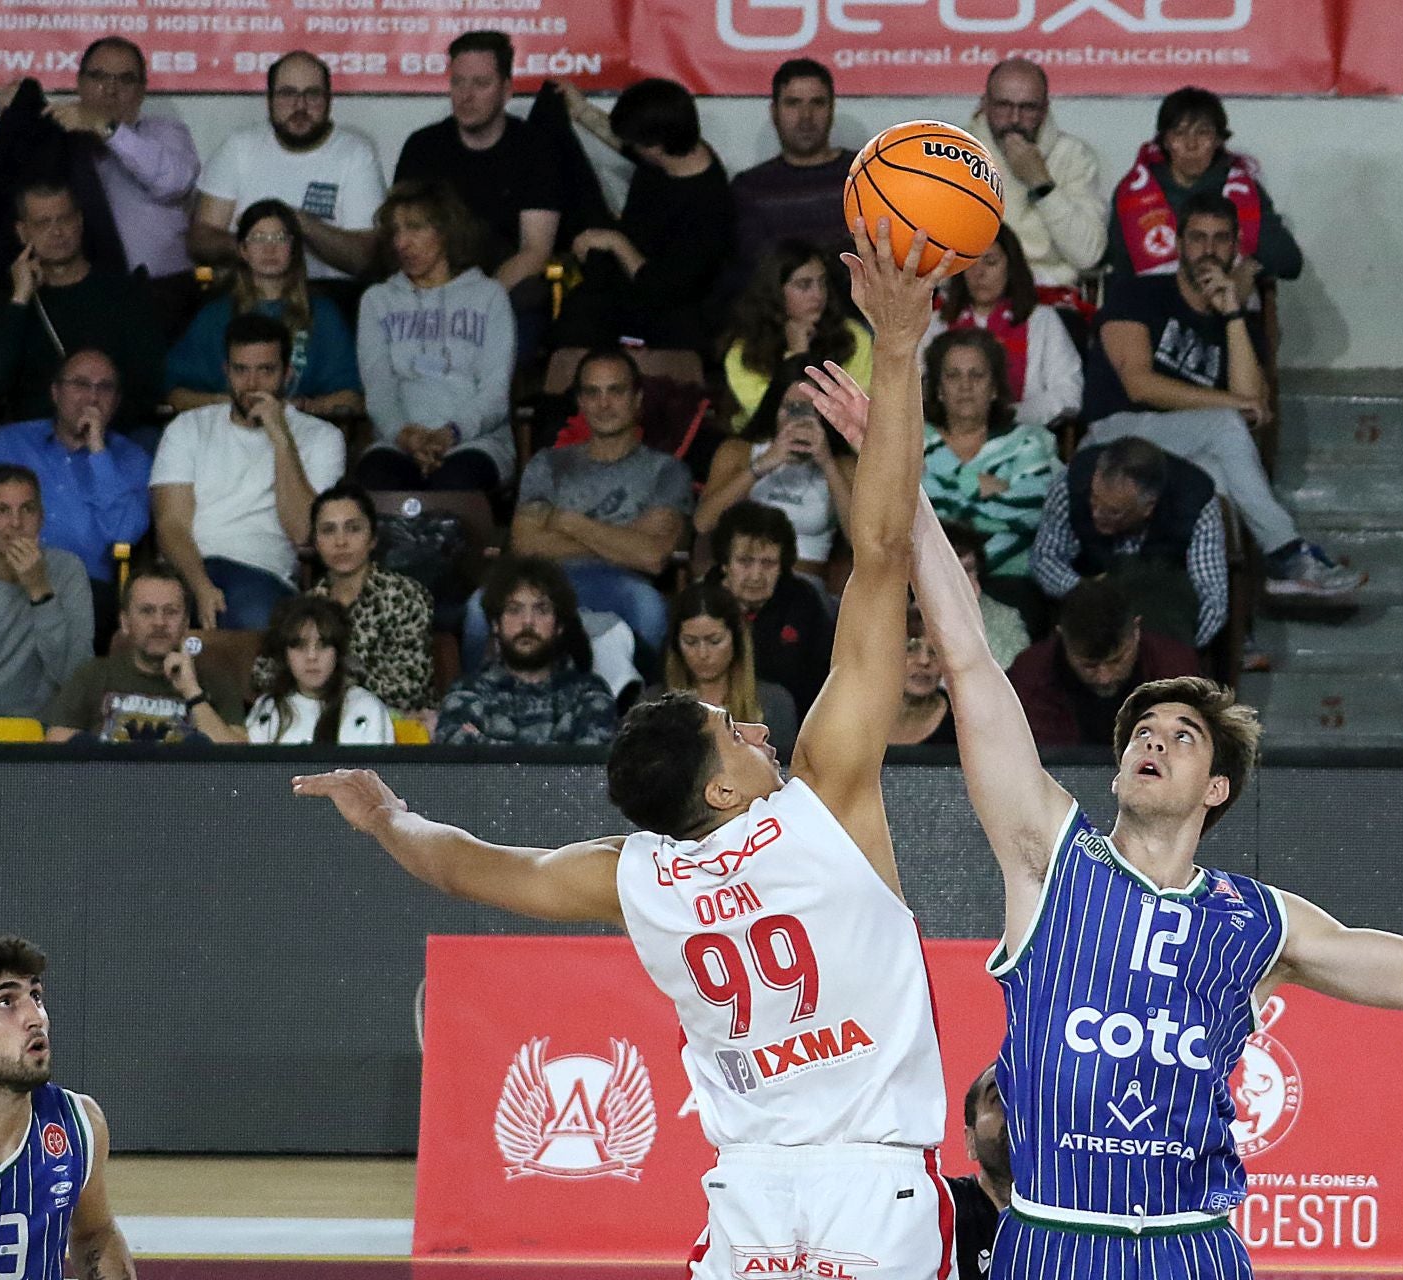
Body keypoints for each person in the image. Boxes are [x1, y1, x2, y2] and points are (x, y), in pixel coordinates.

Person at [296, 221, 960, 1279]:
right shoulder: (823, 803)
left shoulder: (635, 873)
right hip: (871, 1187)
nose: (753, 725)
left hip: (744, 1195)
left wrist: (385, 815)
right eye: (731, 730)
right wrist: (898, 341)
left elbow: (471, 865)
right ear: (719, 785)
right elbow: (880, 557)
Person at [802, 358, 1403, 1280]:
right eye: (1143, 731)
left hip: (1189, 1249)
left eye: (1182, 737)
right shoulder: (1051, 858)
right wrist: (898, 465)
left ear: (1216, 790)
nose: (1153, 742)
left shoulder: (1261, 923)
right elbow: (966, 656)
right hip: (1052, 1239)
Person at [1081, 195, 1365, 595]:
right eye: (1197, 238)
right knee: (1225, 425)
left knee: (1218, 487)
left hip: (1183, 450)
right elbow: (1140, 384)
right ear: (1179, 244)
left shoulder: (1241, 326)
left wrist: (1232, 312)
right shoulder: (1138, 294)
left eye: (1220, 240)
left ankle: (1235, 626)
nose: (1208, 251)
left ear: (1236, 247)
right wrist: (1232, 405)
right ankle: (1286, 553)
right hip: (1115, 438)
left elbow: (1256, 407)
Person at [476, 348, 691, 665]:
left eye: (615, 391)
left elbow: (652, 556)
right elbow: (525, 544)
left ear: (637, 399)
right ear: (580, 402)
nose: (603, 404)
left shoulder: (667, 471)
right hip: (543, 583)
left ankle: (648, 711)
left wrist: (566, 521)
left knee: (649, 607)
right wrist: (623, 538)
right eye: (592, 392)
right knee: (477, 607)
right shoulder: (548, 464)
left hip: (623, 586)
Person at [0, 38, 199, 314]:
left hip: (161, 295)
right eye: (98, 76)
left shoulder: (164, 133)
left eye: (125, 79)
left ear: (142, 90)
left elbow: (173, 183)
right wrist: (4, 122)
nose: (110, 89)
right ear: (79, 83)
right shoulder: (50, 138)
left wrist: (106, 129)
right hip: (67, 297)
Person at [0, 934, 135, 1280]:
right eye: (6, 1002)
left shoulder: (79, 1124)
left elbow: (94, 1234)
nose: (36, 1018)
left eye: (35, 996)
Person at [150, 314, 347, 630]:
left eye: (265, 371)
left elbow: (303, 532)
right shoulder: (188, 427)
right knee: (149, 617)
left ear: (287, 374)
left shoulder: (322, 437)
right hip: (186, 569)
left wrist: (282, 441)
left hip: (262, 572)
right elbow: (170, 524)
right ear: (226, 372)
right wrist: (201, 585)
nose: (252, 385)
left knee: (251, 618)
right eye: (241, 371)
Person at [0, 349, 152, 644]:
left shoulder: (130, 459)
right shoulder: (9, 442)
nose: (92, 397)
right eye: (80, 384)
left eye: (104, 388)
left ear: (117, 401)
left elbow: (126, 531)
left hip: (79, 589)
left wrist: (98, 452)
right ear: (56, 393)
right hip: (2, 578)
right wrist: (9, 567)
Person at [355, 181, 516, 493]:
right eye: (395, 231)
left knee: (455, 483)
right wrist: (406, 436)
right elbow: (378, 388)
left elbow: (495, 391)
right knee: (379, 480)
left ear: (445, 231)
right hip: (399, 441)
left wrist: (449, 434)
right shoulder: (378, 300)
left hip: (475, 441)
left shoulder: (488, 296)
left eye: (415, 228)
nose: (402, 242)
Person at [554, 77, 733, 353]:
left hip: (668, 314)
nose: (634, 149)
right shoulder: (674, 153)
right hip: (621, 288)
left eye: (639, 144)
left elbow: (663, 289)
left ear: (656, 146)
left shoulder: (709, 203)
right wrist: (581, 111)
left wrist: (615, 241)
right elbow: (624, 142)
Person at [393, 33, 560, 325]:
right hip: (429, 278)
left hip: (501, 287)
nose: (466, 96)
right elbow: (401, 233)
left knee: (530, 296)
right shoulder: (423, 147)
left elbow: (535, 250)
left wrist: (475, 300)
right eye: (458, 82)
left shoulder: (536, 148)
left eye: (481, 84)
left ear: (506, 90)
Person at [0, 182, 165, 429]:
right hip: (37, 438)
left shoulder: (125, 293)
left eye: (64, 219)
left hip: (114, 431)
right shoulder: (11, 304)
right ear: (22, 232)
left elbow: (150, 382)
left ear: (80, 221)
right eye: (43, 223)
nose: (57, 231)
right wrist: (20, 297)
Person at [189, 51, 384, 282]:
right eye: (287, 94)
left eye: (312, 94)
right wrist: (261, 247)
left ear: (329, 100)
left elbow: (364, 259)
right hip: (248, 295)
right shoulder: (239, 147)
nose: (300, 106)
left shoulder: (356, 154)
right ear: (269, 99)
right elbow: (200, 240)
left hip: (325, 294)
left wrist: (297, 223)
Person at [1030, 437, 1230, 650]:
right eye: (1094, 500)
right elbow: (1045, 557)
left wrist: (1179, 650)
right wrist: (1082, 590)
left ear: (1148, 507)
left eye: (1113, 511)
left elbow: (1211, 600)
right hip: (1090, 603)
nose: (1097, 514)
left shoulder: (1195, 502)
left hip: (1161, 614)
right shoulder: (1072, 482)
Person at [169, 198, 362, 418]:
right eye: (258, 238)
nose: (269, 248)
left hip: (302, 434)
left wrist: (302, 407)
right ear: (243, 249)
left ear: (294, 248)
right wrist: (229, 404)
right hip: (227, 436)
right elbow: (176, 395)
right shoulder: (214, 316)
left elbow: (352, 399)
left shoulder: (323, 314)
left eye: (279, 238)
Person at [257, 483, 436, 719]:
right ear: (315, 542)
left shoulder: (405, 596)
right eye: (328, 531)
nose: (341, 542)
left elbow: (407, 690)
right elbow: (263, 673)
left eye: (353, 529)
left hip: (391, 729)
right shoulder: (305, 606)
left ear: (373, 538)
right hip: (315, 721)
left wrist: (321, 675)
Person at [1105, 86, 1303, 296]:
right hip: (1151, 310)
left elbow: (1289, 262)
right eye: (1179, 133)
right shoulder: (1134, 191)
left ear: (1219, 140)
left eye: (1203, 133)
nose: (1191, 144)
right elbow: (1119, 268)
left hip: (1224, 311)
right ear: (1165, 140)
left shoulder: (1242, 189)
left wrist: (1248, 268)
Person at [0, 465, 92, 717]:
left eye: (27, 509)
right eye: (2, 511)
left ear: (41, 518)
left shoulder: (69, 571)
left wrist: (40, 590)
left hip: (42, 734)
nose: (16, 523)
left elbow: (76, 679)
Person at [43, 563, 246, 743]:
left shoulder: (217, 682)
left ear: (185, 624)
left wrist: (192, 693)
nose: (159, 622)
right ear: (125, 623)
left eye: (171, 611)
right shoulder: (91, 676)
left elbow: (239, 764)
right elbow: (55, 756)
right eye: (147, 611)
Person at [920, 329, 1062, 582]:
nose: (965, 385)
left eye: (977, 375)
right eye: (953, 375)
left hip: (1004, 577)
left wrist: (940, 491)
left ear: (994, 389)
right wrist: (977, 485)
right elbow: (905, 514)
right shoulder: (914, 440)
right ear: (939, 390)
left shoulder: (1027, 442)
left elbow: (1031, 514)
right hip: (925, 577)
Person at [435, 555, 615, 746]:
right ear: (496, 623)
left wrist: (482, 741)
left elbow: (587, 766)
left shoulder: (589, 692)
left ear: (559, 625)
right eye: (514, 610)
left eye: (541, 610)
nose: (527, 621)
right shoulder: (467, 691)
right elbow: (457, 760)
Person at [1005, 575, 1202, 747]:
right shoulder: (1028, 680)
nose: (1104, 678)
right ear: (1061, 637)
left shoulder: (1177, 673)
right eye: (1089, 665)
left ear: (1136, 630)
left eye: (1117, 660)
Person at [695, 366, 853, 582]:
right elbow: (703, 522)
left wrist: (827, 464)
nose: (799, 418)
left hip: (804, 583)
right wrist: (763, 464)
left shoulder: (843, 465)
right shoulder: (738, 452)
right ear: (775, 409)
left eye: (810, 409)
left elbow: (859, 541)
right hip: (739, 581)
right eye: (791, 408)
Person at [920, 225, 1082, 428]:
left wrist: (1009, 415)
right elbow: (913, 389)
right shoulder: (936, 323)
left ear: (1011, 267)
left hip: (1023, 435)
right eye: (970, 263)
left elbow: (1070, 393)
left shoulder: (1042, 321)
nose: (979, 273)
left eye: (990, 262)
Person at [967, 59, 1106, 291]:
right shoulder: (954, 154)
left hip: (1050, 293)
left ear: (1044, 109)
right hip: (971, 293)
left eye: (1028, 108)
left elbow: (1088, 256)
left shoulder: (1073, 155)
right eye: (1003, 106)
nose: (1014, 119)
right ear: (984, 105)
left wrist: (1041, 183)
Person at [727, 59, 853, 288]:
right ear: (774, 111)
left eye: (817, 103)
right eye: (793, 103)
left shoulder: (866, 174)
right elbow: (761, 271)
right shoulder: (751, 188)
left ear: (832, 108)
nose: (806, 116)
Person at [722, 239, 872, 430]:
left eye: (822, 282)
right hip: (768, 445)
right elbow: (773, 419)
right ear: (775, 291)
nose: (818, 294)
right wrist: (797, 355)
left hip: (841, 446)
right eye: (804, 285)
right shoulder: (744, 351)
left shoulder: (852, 335)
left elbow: (857, 412)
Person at [711, 501, 831, 716]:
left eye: (768, 563)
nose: (756, 575)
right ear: (724, 563)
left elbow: (825, 678)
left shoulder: (803, 600)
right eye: (745, 562)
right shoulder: (701, 600)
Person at [659, 580, 797, 757]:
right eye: (690, 642)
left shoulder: (775, 703)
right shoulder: (654, 706)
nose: (703, 653)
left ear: (737, 639)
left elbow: (785, 772)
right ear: (676, 644)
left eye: (714, 641)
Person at [247, 595, 395, 744]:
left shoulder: (367, 707)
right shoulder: (267, 709)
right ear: (285, 654)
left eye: (323, 645)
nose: (312, 656)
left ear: (338, 652)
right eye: (300, 646)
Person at [944, 1064, 1010, 1280]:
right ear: (970, 1141)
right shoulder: (939, 1210)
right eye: (1000, 1098)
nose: (1016, 1109)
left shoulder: (1085, 1222)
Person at [943, 520, 1029, 670]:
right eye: (951, 571)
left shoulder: (1006, 618)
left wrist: (969, 617)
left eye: (968, 569)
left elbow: (1016, 671)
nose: (961, 580)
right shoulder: (905, 618)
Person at [891, 609, 957, 746]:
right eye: (910, 648)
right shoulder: (849, 713)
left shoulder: (964, 720)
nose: (924, 660)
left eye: (936, 651)